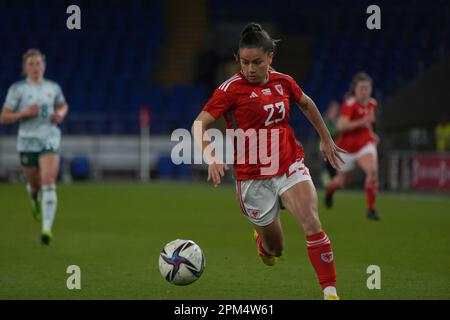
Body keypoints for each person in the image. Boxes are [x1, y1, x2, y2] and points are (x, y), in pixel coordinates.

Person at [192, 23, 345, 300]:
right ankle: (262, 244)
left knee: (311, 221)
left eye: (257, 62)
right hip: (252, 177)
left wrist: (325, 138)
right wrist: (211, 156)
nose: (250, 69)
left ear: (270, 57)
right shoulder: (230, 90)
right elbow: (199, 124)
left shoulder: (284, 82)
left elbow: (307, 104)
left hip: (288, 163)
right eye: (245, 62)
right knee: (277, 249)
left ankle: (330, 292)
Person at [0, 49, 69, 244]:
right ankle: (33, 197)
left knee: (48, 180)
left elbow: (63, 105)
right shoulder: (17, 90)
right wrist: (23, 114)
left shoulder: (53, 87)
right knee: (35, 184)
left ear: (44, 66)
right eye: (31, 64)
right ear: (25, 68)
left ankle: (46, 228)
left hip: (49, 137)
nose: (35, 67)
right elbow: (4, 117)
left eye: (38, 63)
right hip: (27, 141)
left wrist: (60, 114)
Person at [324, 72, 380, 220]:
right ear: (355, 89)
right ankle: (329, 191)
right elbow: (341, 126)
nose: (364, 91)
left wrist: (372, 135)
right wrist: (363, 121)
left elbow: (369, 125)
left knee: (372, 171)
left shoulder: (372, 103)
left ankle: (370, 209)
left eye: (367, 88)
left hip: (364, 145)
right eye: (361, 88)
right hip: (347, 149)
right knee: (341, 183)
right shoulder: (350, 103)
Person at [320, 100, 340, 186]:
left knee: (334, 169)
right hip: (328, 148)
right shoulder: (326, 121)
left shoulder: (338, 121)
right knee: (329, 166)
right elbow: (327, 134)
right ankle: (327, 179)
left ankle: (331, 182)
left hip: (337, 148)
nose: (335, 112)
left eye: (336, 110)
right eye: (333, 110)